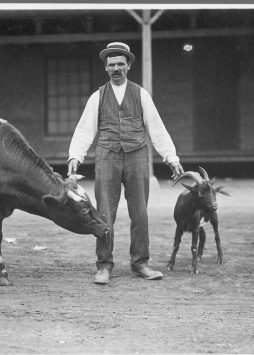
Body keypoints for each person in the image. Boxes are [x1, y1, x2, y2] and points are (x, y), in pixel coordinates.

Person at [67, 42, 184, 285]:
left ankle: (140, 263)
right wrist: (75, 157)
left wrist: (171, 157)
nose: (116, 68)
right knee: (104, 213)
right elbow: (84, 130)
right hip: (107, 156)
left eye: (121, 64)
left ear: (129, 66)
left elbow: (157, 128)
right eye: (112, 65)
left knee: (139, 213)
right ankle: (104, 265)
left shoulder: (141, 94)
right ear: (106, 68)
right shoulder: (97, 96)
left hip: (137, 156)